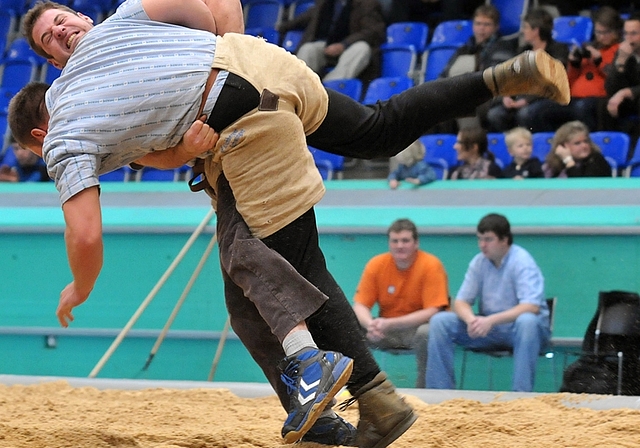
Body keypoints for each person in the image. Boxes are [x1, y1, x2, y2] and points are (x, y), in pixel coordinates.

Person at [16, 0, 570, 444]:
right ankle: (498, 77)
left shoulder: (97, 74)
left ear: (84, 18)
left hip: (238, 113)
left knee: (281, 271)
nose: (61, 31)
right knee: (377, 130)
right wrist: (224, 54)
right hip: (266, 69)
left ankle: (362, 396)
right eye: (48, 36)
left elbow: (87, 229)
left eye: (61, 19)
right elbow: (166, 141)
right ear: (54, 64)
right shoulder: (121, 50)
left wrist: (79, 286)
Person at [426, 213, 550, 392]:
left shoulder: (522, 262)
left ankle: (521, 397)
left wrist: (490, 320)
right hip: (489, 329)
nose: (482, 245)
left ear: (504, 240)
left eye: (488, 239)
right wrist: (471, 320)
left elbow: (531, 306)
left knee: (527, 321)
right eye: (480, 239)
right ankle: (440, 393)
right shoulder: (478, 262)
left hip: (522, 331)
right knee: (440, 321)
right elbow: (461, 301)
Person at [353, 218, 449, 388]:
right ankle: (356, 388)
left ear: (416, 243)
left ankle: (425, 392)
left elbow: (433, 310)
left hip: (416, 331)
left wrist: (390, 323)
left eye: (405, 241)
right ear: (389, 243)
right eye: (395, 241)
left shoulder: (430, 265)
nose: (400, 246)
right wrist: (370, 325)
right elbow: (360, 305)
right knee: (345, 324)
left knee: (428, 332)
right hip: (384, 331)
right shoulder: (377, 264)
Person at [485, 8, 570, 133]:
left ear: (536, 30)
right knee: (495, 114)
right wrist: (506, 96)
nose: (522, 31)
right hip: (521, 97)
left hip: (547, 98)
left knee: (525, 114)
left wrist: (525, 101)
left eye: (525, 27)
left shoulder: (558, 50)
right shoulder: (523, 51)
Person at [278, 0, 386, 82]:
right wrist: (281, 27)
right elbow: (306, 17)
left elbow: (374, 31)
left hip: (351, 46)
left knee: (362, 48)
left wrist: (344, 44)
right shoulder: (324, 3)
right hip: (327, 45)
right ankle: (299, 87)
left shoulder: (367, 3)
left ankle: (330, 87)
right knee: (308, 49)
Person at [605, 12, 640, 132]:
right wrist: (620, 62)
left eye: (634, 34)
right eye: (626, 34)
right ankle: (606, 144)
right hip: (629, 101)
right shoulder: (623, 52)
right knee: (602, 104)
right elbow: (610, 89)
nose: (628, 39)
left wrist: (626, 92)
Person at [543, 120, 612, 178]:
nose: (584, 146)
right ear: (562, 146)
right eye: (577, 143)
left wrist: (568, 161)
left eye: (586, 141)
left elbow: (580, 187)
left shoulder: (597, 160)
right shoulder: (553, 164)